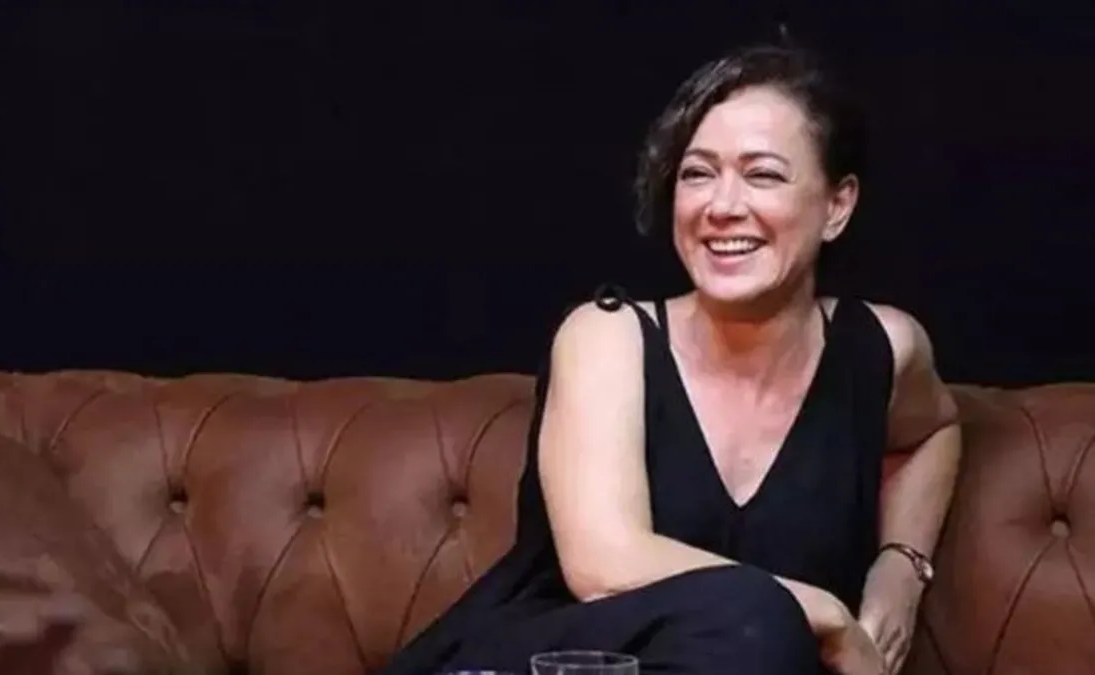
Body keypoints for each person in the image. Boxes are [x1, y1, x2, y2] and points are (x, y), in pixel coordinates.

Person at [380, 41, 962, 675]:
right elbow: (604, 563)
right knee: (754, 618)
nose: (721, 206)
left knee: (757, 628)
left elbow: (933, 432)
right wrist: (826, 615)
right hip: (554, 660)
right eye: (697, 173)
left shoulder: (882, 349)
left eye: (763, 175)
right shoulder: (607, 337)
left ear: (836, 206)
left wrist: (901, 568)